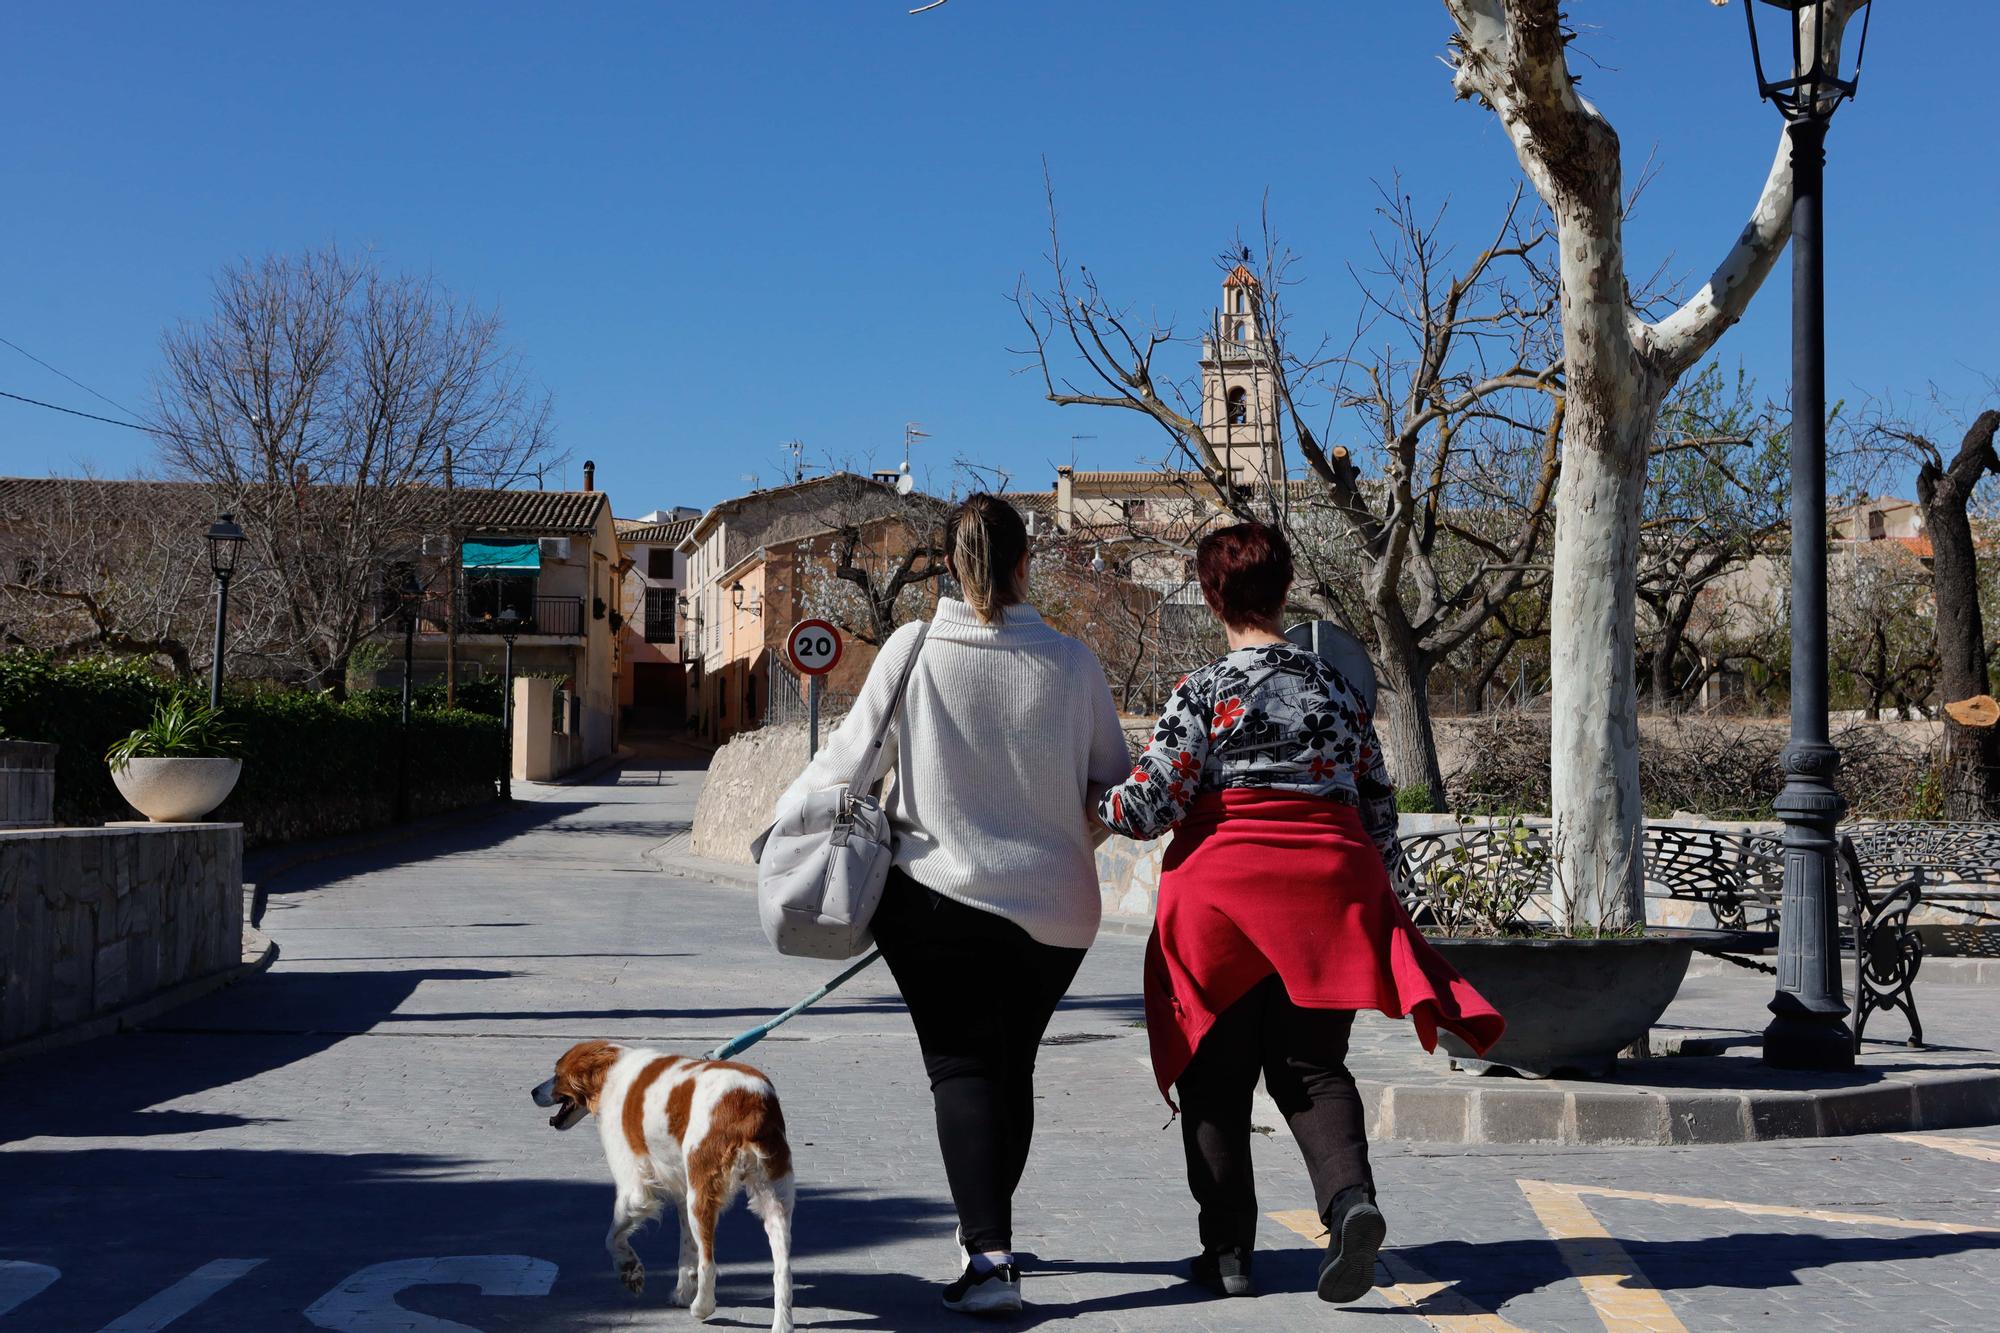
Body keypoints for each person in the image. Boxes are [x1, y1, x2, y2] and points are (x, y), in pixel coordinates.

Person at [1096, 521, 1504, 1304]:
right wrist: (1365, 894)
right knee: (1312, 1065)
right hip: (1324, 896)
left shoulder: (1202, 692)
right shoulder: (1340, 691)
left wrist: (1090, 799)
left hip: (1221, 903)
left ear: (1212, 596)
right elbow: (1378, 807)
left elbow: (1149, 806)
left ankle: (1229, 1257)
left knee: (1214, 1078)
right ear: (1284, 590)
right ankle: (1350, 1200)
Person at [776, 493, 1132, 1315]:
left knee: (962, 1065)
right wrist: (1055, 841)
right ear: (1024, 564)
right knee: (1013, 1064)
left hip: (936, 899)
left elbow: (843, 764)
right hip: (1057, 912)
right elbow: (1112, 788)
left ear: (947, 561)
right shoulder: (1075, 662)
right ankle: (987, 1231)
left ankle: (990, 1255)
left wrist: (783, 838)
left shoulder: (914, 647)